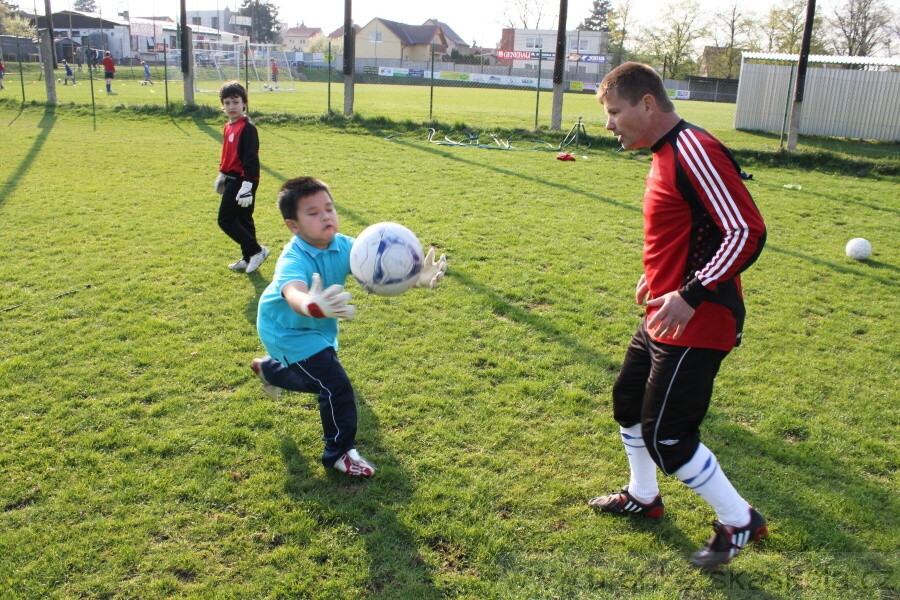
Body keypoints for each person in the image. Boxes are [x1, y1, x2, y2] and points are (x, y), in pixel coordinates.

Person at [587, 62, 768, 570]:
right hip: (664, 311)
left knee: (667, 436)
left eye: (614, 112)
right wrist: (658, 277)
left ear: (647, 105)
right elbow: (689, 231)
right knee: (628, 402)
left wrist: (689, 293)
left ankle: (738, 520)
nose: (609, 125)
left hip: (698, 320)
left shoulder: (693, 149)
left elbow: (746, 232)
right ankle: (644, 496)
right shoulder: (663, 153)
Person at [250, 176, 447, 477]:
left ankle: (269, 370)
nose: (326, 216)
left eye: (329, 208)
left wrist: (413, 276)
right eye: (313, 213)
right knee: (335, 386)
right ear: (294, 225)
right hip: (286, 330)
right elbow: (292, 293)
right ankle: (340, 453)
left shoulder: (346, 246)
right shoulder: (293, 258)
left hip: (316, 329)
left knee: (323, 382)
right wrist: (311, 304)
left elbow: (378, 264)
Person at [214, 81, 269, 273]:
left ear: (244, 103)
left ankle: (256, 250)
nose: (231, 107)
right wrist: (222, 173)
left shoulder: (247, 128)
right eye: (227, 102)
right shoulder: (228, 126)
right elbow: (227, 154)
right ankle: (247, 257)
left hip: (243, 179)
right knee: (244, 219)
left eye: (235, 102)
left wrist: (247, 185)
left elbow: (250, 158)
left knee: (225, 220)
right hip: (232, 177)